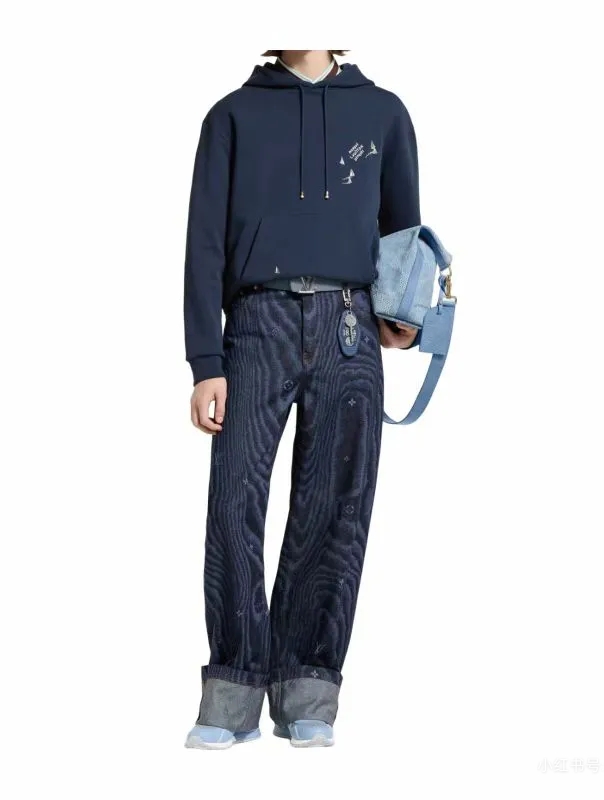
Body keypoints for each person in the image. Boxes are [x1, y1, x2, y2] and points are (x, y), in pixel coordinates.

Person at [183, 49, 420, 749]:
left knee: (336, 507)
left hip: (351, 326)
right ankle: (232, 694)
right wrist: (205, 360)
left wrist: (403, 313)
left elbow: (402, 231)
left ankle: (308, 691)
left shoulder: (384, 113)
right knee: (234, 504)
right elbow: (203, 243)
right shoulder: (231, 115)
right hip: (255, 323)